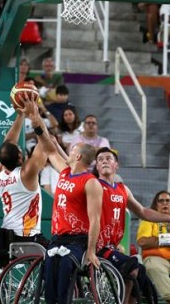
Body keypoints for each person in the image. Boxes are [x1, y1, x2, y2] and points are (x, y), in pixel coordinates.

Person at [25, 95, 103, 304]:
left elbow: (95, 219)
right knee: (49, 274)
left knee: (65, 276)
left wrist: (92, 250)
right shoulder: (65, 172)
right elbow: (49, 146)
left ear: (78, 156)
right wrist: (36, 119)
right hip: (58, 237)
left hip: (78, 240)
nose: (69, 149)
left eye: (73, 149)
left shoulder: (91, 182)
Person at [95, 147, 170, 304]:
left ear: (116, 165)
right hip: (96, 246)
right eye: (100, 159)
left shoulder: (123, 190)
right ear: (96, 166)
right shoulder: (93, 185)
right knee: (133, 266)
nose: (104, 161)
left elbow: (143, 212)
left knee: (141, 273)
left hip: (112, 246)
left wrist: (169, 218)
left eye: (108, 158)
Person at [0, 110, 48, 266]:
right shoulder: (26, 174)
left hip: (7, 237)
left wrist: (21, 115)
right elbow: (45, 145)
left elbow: (7, 144)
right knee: (61, 255)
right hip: (28, 240)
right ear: (20, 157)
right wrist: (35, 114)